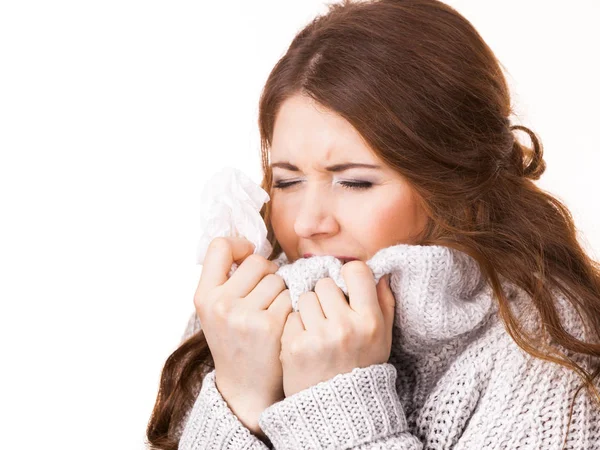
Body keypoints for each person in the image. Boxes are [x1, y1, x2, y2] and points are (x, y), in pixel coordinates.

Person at [146, 0, 600, 448]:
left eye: (355, 182)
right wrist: (241, 396)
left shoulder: (550, 357)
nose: (307, 222)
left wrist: (339, 410)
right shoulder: (244, 316)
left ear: (457, 183)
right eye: (286, 181)